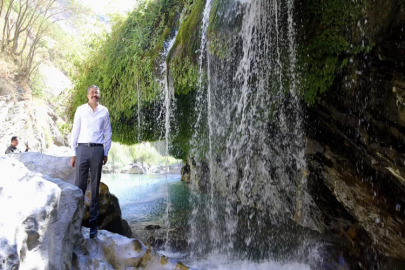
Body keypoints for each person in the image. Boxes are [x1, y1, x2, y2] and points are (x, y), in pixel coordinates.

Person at [70, 85, 112, 238]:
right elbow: (75, 131)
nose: (95, 95)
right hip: (82, 149)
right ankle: (76, 221)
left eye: (97, 93)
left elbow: (108, 132)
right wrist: (73, 153)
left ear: (99, 95)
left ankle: (93, 224)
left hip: (97, 150)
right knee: (79, 186)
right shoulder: (80, 109)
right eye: (92, 93)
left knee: (94, 186)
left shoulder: (104, 111)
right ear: (87, 95)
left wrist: (105, 152)